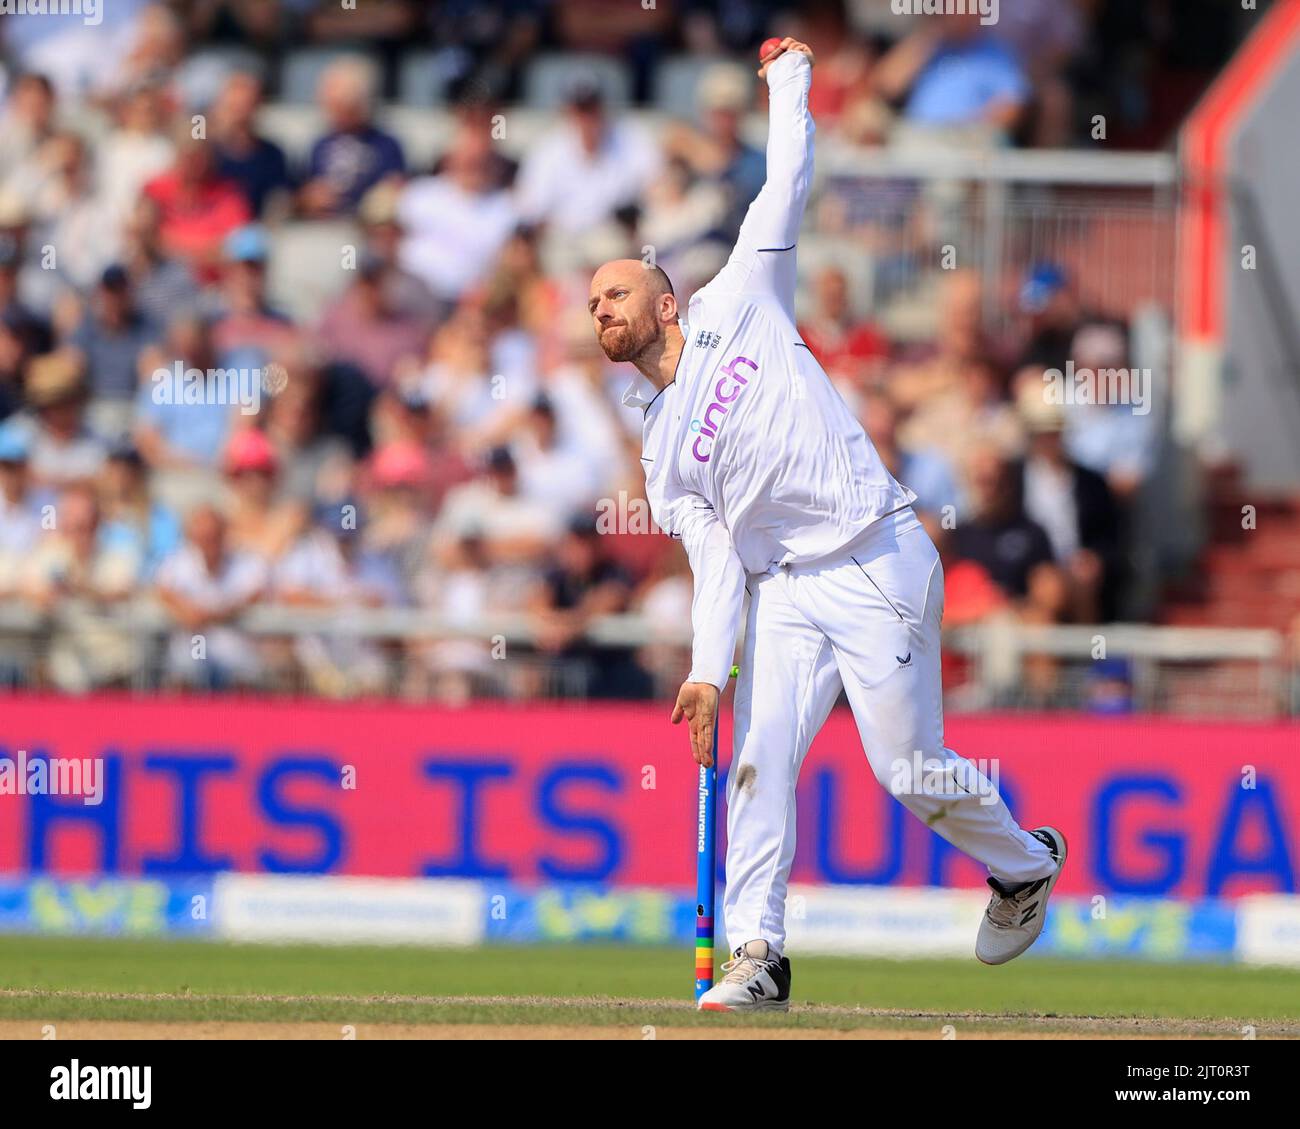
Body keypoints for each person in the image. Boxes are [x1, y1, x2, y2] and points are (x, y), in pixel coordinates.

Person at [586, 38, 1064, 1013]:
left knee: (906, 769)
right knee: (759, 761)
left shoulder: (741, 295)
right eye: (592, 303)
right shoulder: (660, 450)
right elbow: (714, 559)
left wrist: (788, 74)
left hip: (877, 553)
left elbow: (788, 173)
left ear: (664, 299)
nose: (602, 307)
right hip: (786, 592)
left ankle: (1023, 864)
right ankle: (759, 955)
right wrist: (704, 672)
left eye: (618, 291)